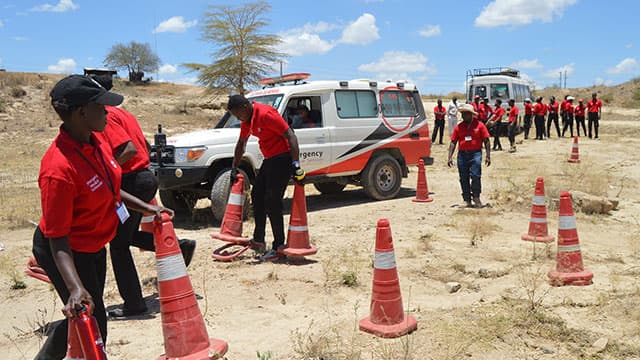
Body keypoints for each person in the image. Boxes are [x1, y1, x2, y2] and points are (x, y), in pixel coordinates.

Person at [32, 75, 173, 359]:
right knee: (91, 319)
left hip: (93, 245)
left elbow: (112, 188)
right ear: (80, 112)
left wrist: (148, 209)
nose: (107, 112)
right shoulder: (58, 169)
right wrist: (74, 287)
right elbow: (56, 237)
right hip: (66, 251)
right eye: (101, 107)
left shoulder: (96, 142)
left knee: (87, 318)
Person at [90, 75, 196, 318]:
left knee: (118, 246)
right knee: (124, 237)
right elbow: (144, 146)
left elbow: (129, 149)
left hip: (132, 180)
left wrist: (109, 171)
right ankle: (178, 246)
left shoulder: (106, 114)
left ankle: (135, 304)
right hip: (143, 177)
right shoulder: (123, 113)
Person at [228, 94, 305, 261]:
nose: (237, 118)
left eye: (237, 114)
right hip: (270, 159)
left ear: (245, 107)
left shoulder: (266, 114)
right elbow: (241, 143)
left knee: (272, 201)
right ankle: (258, 240)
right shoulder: (247, 121)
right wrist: (234, 167)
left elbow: (291, 135)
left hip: (283, 158)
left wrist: (296, 165)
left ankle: (279, 247)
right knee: (257, 196)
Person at [448, 103, 491, 208]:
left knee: (476, 175)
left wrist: (488, 156)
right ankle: (467, 199)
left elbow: (486, 140)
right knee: (463, 177)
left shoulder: (480, 125)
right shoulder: (459, 127)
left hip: (475, 154)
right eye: (462, 114)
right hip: (462, 155)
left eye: (466, 114)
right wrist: (449, 157)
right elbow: (453, 141)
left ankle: (476, 197)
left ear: (471, 114)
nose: (463, 116)